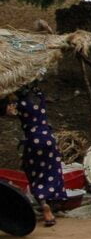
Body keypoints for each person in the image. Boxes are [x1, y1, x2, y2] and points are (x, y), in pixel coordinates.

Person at [5, 86, 66, 226]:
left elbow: (8, 112)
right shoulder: (39, 97)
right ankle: (54, 202)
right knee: (52, 170)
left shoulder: (19, 104)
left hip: (34, 140)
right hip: (49, 139)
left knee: (34, 173)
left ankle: (45, 207)